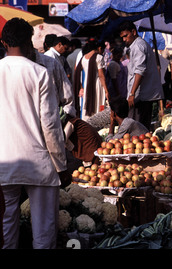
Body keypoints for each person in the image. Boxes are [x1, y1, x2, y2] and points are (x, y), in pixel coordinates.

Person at [0, 18, 70, 249]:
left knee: (6, 227)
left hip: (4, 162)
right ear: (29, 42)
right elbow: (50, 125)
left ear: (3, 43)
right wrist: (61, 164)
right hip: (38, 163)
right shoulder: (40, 73)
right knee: (44, 232)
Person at [119, 20, 165, 132]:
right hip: (140, 95)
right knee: (138, 127)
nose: (124, 39)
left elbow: (140, 71)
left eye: (126, 36)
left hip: (141, 96)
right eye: (122, 37)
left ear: (133, 32)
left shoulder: (138, 46)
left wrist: (132, 93)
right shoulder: (134, 46)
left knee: (138, 129)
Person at [73, 38, 110, 120]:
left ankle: (88, 123)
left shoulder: (84, 58)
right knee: (99, 104)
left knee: (88, 104)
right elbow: (101, 75)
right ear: (99, 48)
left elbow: (77, 70)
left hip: (87, 85)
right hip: (97, 85)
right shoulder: (99, 57)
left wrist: (81, 86)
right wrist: (106, 91)